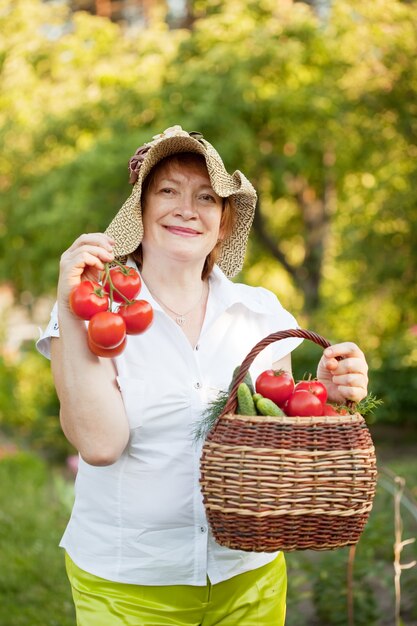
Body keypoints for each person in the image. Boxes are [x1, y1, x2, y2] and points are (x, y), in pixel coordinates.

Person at [37, 125, 369, 626]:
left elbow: (276, 449)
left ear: (223, 223)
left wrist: (325, 393)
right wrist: (69, 302)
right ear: (140, 211)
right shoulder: (92, 311)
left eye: (206, 197)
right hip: (130, 585)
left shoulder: (262, 314)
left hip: (250, 578)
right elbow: (100, 445)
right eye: (168, 190)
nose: (187, 209)